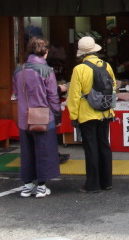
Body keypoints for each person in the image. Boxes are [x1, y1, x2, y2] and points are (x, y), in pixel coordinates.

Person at [12, 37, 62, 198]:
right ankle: (41, 186)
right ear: (45, 52)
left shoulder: (19, 71)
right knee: (44, 151)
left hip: (23, 118)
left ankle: (27, 186)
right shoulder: (46, 71)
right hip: (43, 118)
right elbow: (53, 97)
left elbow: (17, 93)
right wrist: (57, 114)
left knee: (27, 152)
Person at [67, 36, 116, 193]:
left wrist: (73, 116)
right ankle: (107, 181)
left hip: (87, 114)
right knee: (104, 146)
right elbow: (113, 87)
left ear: (82, 53)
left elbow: (74, 95)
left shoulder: (79, 69)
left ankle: (93, 184)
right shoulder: (106, 66)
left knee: (91, 148)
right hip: (105, 112)